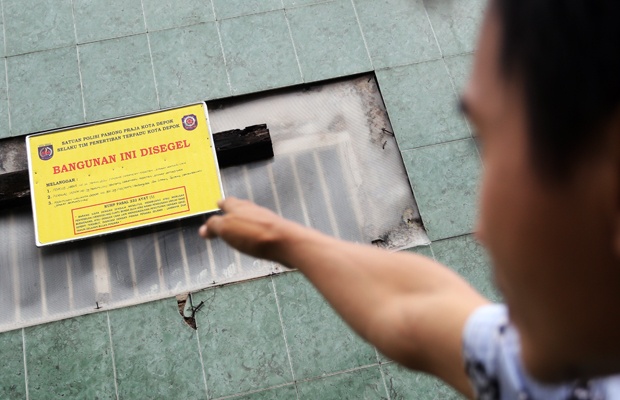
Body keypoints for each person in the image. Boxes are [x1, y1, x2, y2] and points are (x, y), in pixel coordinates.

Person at [199, 0, 620, 398]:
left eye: (494, 142)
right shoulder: (573, 373)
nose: (483, 232)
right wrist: (284, 239)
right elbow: (413, 311)